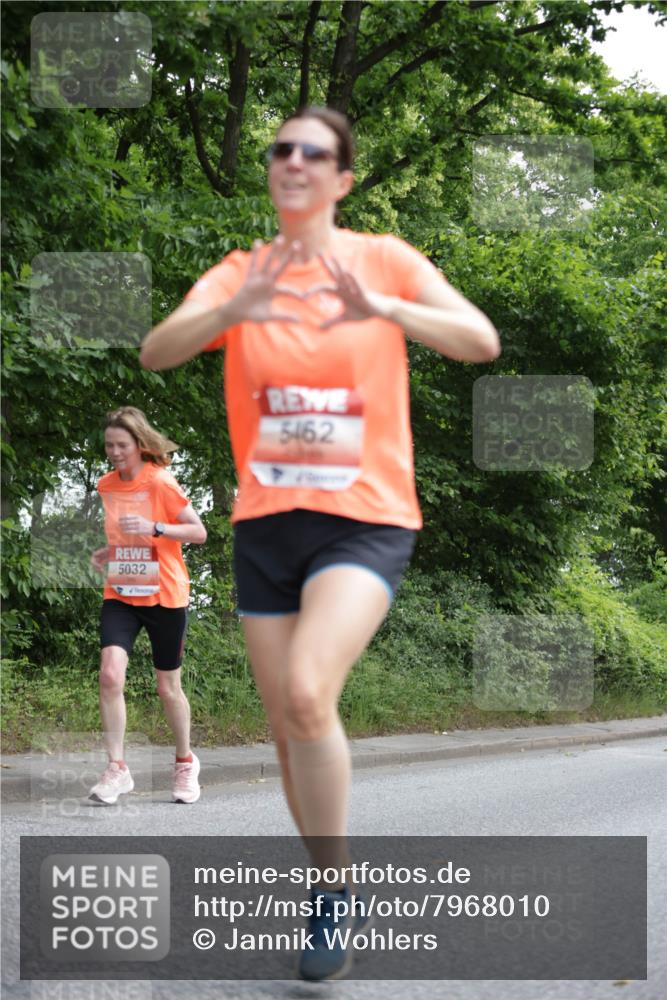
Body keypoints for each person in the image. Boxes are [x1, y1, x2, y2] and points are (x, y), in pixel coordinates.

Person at [140, 106, 500, 979]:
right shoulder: (240, 270)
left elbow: (478, 340)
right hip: (267, 524)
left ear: (340, 179)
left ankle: (334, 897)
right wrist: (236, 305)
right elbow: (157, 353)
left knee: (307, 695)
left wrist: (381, 306)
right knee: (283, 724)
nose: (293, 160)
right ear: (273, 172)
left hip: (366, 516)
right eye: (281, 149)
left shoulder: (383, 259)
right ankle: (330, 882)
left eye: (315, 152)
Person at [89, 406, 207, 806]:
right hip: (121, 592)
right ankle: (117, 769)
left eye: (122, 445)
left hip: (164, 595)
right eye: (109, 445)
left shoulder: (160, 482)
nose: (115, 452)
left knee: (167, 688)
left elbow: (198, 531)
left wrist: (158, 528)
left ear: (140, 445)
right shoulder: (106, 485)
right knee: (109, 675)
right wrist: (111, 551)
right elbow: (127, 534)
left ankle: (185, 762)